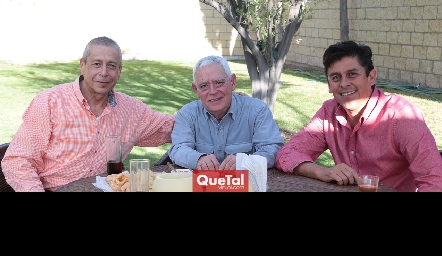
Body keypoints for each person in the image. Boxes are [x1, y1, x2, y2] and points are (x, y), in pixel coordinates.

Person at [1, 36, 175, 192]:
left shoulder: (132, 110)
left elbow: (171, 127)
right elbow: (18, 161)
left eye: (112, 66)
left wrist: (202, 103)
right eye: (96, 64)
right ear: (82, 65)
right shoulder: (50, 102)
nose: (104, 72)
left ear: (119, 71)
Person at [275, 40, 442, 192]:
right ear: (329, 85)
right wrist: (323, 172)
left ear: (371, 77)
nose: (344, 83)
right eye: (335, 77)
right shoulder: (329, 112)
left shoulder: (402, 117)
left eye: (352, 74)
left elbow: (434, 181)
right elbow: (287, 154)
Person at [168, 55, 284, 171]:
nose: (212, 91)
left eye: (218, 82)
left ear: (232, 82)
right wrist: (199, 159)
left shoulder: (257, 110)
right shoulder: (187, 114)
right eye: (204, 86)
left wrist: (246, 162)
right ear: (196, 90)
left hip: (247, 185)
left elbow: (273, 149)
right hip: (202, 186)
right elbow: (178, 149)